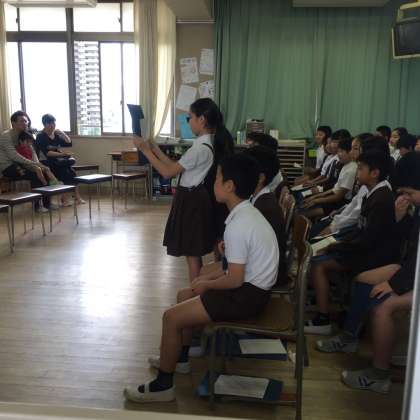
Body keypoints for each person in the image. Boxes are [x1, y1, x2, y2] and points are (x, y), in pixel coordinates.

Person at [123, 153, 279, 403]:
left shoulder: (240, 224)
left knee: (170, 317)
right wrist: (211, 274)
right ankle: (180, 358)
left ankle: (163, 385)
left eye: (216, 178)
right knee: (183, 295)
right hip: (251, 289)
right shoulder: (245, 214)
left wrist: (206, 283)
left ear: (229, 186)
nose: (213, 183)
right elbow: (237, 266)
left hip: (247, 296)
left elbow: (234, 280)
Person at [316, 152, 420, 394]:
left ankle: (379, 374)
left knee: (382, 306)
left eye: (409, 193)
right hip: (410, 268)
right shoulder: (413, 207)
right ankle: (350, 338)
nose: (405, 197)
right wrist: (400, 219)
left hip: (412, 273)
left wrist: (394, 285)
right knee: (363, 280)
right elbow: (410, 245)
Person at [134, 98, 232, 283]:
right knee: (191, 252)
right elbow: (174, 166)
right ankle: (196, 289)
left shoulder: (201, 149)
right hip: (191, 198)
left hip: (192, 201)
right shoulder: (202, 144)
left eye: (190, 117)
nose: (188, 122)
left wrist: (145, 150)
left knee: (192, 254)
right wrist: (155, 148)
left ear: (202, 120)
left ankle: (195, 292)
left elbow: (167, 172)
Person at [305, 150, 399, 335]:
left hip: (372, 256)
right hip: (363, 248)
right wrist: (334, 243)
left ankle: (323, 319)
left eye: (361, 169)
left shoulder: (381, 199)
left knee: (318, 264)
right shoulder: (372, 193)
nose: (357, 172)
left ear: (375, 173)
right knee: (317, 251)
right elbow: (360, 230)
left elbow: (367, 240)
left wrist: (335, 246)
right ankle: (323, 301)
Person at [245, 146, 287, 283]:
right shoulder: (260, 198)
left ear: (260, 178)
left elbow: (255, 255)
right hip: (259, 269)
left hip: (263, 277)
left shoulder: (265, 208)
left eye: (244, 170)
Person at [0, 111, 50, 210]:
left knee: (44, 172)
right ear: (13, 123)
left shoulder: (24, 134)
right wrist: (35, 164)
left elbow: (32, 152)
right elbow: (14, 156)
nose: (25, 123)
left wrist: (39, 165)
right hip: (8, 166)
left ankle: (46, 204)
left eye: (26, 121)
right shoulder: (6, 136)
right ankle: (37, 206)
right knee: (35, 174)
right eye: (22, 121)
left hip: (22, 164)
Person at [300, 137, 357, 220]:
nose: (339, 154)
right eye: (338, 151)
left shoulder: (351, 170)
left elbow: (338, 196)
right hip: (332, 196)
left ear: (350, 152)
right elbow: (334, 188)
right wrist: (315, 197)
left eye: (341, 151)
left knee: (304, 212)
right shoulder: (344, 165)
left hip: (339, 203)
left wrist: (316, 199)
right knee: (304, 203)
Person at [35, 114, 84, 206]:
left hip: (58, 161)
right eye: (50, 123)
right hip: (46, 162)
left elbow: (69, 142)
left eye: (53, 123)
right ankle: (66, 199)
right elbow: (48, 153)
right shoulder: (41, 136)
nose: (52, 125)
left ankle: (76, 197)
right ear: (44, 124)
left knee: (71, 172)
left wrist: (62, 133)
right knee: (66, 172)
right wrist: (63, 154)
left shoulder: (56, 135)